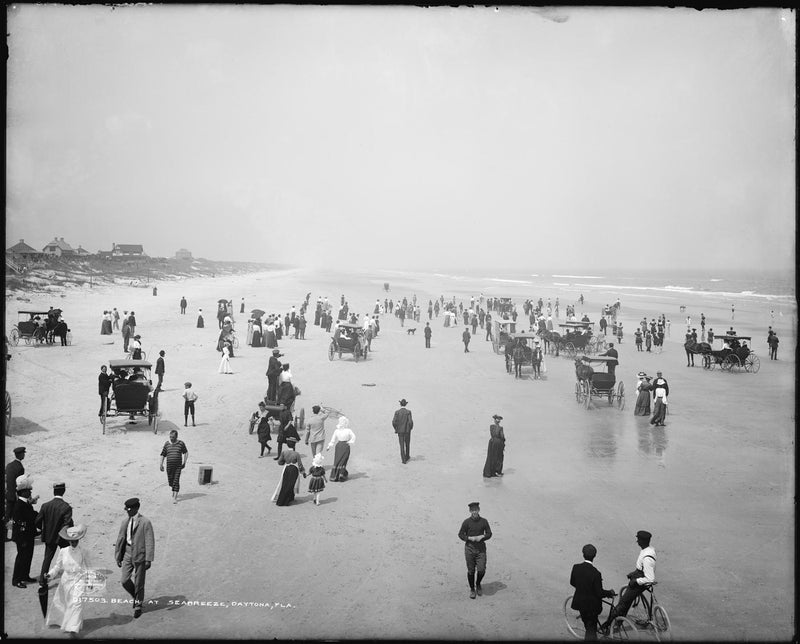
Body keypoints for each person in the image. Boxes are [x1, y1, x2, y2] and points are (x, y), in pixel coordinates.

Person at [600, 531, 656, 634]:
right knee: (626, 602)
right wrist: (634, 573)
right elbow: (640, 568)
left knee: (622, 604)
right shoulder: (648, 550)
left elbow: (650, 578)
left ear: (643, 541)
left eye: (638, 539)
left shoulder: (647, 558)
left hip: (639, 583)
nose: (637, 541)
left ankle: (607, 625)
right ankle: (618, 622)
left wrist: (635, 580)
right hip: (639, 575)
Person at [44, 524, 91, 635]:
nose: (74, 543)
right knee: (67, 603)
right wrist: (50, 575)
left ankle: (73, 629)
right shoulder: (63, 551)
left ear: (79, 540)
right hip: (66, 581)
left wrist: (90, 581)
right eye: (71, 541)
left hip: (79, 579)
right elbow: (57, 566)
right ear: (68, 541)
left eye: (76, 541)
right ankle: (69, 623)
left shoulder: (84, 551)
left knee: (77, 603)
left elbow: (89, 567)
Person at [114, 497, 155, 619]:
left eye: (129, 509)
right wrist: (118, 555)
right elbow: (120, 538)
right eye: (126, 509)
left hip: (139, 554)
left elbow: (149, 541)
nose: (127, 511)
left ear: (136, 508)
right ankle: (136, 596)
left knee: (139, 582)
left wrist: (148, 559)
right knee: (124, 580)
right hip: (127, 552)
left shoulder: (145, 522)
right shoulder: (125, 522)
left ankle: (138, 606)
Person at [570, 544, 616, 641]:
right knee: (591, 630)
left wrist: (583, 588)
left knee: (587, 624)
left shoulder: (576, 567)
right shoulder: (596, 573)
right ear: (594, 556)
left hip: (580, 602)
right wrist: (609, 593)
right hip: (592, 606)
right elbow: (599, 593)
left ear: (583, 554)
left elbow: (572, 582)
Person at [36, 482, 73, 585]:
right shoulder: (66, 507)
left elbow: (37, 521)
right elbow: (67, 523)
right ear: (64, 491)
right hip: (62, 537)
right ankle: (70, 579)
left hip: (49, 536)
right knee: (68, 557)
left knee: (47, 559)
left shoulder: (45, 505)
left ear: (53, 491)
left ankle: (42, 581)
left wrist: (45, 530)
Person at [458, 501, 492, 599]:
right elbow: (460, 534)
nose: (474, 512)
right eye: (472, 510)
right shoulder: (466, 522)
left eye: (476, 510)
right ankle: (472, 589)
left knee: (481, 570)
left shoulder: (484, 521)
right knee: (471, 571)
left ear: (479, 510)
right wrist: (469, 538)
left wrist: (483, 537)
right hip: (469, 549)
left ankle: (478, 584)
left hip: (481, 549)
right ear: (470, 511)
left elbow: (489, 533)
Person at [11, 474, 39, 588]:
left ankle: (25, 575)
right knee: (22, 557)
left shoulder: (25, 503)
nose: (30, 492)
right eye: (28, 491)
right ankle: (16, 579)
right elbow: (22, 522)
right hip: (23, 536)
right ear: (23, 492)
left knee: (28, 556)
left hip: (28, 534)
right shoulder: (20, 505)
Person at [272, 437, 306, 506]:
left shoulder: (284, 452)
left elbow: (279, 462)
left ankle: (282, 500)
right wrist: (303, 473)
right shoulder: (296, 454)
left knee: (285, 484)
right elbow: (300, 465)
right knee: (291, 485)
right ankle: (289, 499)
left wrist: (285, 462)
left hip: (286, 469)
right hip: (294, 470)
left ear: (287, 445)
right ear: (294, 445)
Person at [160, 430, 188, 504]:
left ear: (176, 437)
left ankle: (175, 497)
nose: (171, 438)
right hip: (169, 466)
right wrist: (161, 464)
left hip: (178, 466)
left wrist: (184, 462)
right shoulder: (167, 444)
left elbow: (186, 452)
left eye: (173, 437)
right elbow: (163, 454)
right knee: (171, 481)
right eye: (170, 437)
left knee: (176, 480)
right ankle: (173, 488)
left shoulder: (181, 443)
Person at [326, 416, 357, 482]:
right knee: (343, 461)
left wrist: (329, 446)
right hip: (345, 446)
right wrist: (350, 442)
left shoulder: (336, 431)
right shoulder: (348, 430)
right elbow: (353, 436)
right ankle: (341, 474)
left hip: (338, 446)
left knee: (337, 461)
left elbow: (333, 440)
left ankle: (334, 476)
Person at [5, 446, 26, 539]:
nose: (24, 455)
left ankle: (5, 534)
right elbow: (19, 483)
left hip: (8, 494)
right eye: (23, 453)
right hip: (16, 495)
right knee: (17, 515)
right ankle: (15, 534)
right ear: (20, 454)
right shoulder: (20, 467)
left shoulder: (9, 465)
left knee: (7, 514)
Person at [392, 398, 414, 464]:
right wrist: (410, 428)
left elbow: (393, 422)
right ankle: (407, 456)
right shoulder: (408, 412)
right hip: (407, 431)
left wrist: (396, 428)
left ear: (400, 404)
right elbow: (410, 422)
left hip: (400, 431)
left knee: (401, 445)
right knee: (407, 444)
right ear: (406, 404)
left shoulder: (397, 412)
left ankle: (403, 460)